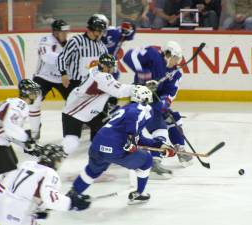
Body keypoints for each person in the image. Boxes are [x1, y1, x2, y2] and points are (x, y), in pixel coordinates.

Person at [69, 86, 176, 204]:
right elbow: (132, 125)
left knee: (92, 171)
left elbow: (137, 137)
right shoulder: (141, 109)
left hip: (97, 144)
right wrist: (131, 141)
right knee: (146, 161)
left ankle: (73, 193)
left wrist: (159, 145)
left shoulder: (126, 108)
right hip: (115, 148)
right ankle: (138, 194)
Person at [123, 41, 193, 179]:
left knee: (174, 117)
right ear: (168, 54)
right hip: (140, 100)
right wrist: (144, 73)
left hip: (155, 102)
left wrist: (164, 102)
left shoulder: (175, 73)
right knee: (159, 127)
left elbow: (171, 92)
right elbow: (128, 56)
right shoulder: (152, 54)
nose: (177, 61)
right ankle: (155, 161)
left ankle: (179, 147)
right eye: (175, 58)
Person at [61, 54, 135, 155]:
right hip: (74, 112)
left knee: (105, 133)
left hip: (91, 112)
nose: (113, 68)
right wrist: (137, 88)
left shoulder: (97, 71)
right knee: (71, 144)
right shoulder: (101, 76)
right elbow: (119, 91)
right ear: (104, 66)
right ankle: (53, 158)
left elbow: (110, 90)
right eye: (111, 66)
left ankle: (98, 157)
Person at [0, 144, 91, 225]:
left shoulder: (26, 164)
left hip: (2, 206)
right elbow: (49, 197)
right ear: (55, 160)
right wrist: (71, 203)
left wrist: (40, 209)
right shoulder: (49, 173)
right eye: (60, 160)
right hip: (19, 213)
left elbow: (3, 186)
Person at [29, 19, 70, 141]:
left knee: (74, 102)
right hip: (43, 77)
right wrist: (67, 58)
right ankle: (35, 130)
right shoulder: (47, 40)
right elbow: (47, 57)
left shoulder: (68, 44)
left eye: (66, 32)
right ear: (55, 32)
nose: (65, 34)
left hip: (61, 78)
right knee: (33, 101)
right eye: (63, 32)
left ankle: (76, 125)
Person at [0, 79, 41, 176]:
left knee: (12, 165)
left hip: (1, 141)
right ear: (27, 92)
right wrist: (26, 139)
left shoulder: (15, 103)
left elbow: (9, 131)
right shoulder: (20, 104)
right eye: (34, 92)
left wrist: (25, 145)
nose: (35, 95)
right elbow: (10, 127)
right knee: (10, 174)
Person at [57, 14, 108, 91]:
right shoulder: (76, 41)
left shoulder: (101, 45)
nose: (101, 33)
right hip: (76, 82)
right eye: (100, 31)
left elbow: (105, 63)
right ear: (92, 29)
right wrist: (63, 74)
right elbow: (62, 58)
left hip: (94, 82)